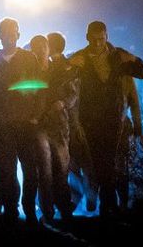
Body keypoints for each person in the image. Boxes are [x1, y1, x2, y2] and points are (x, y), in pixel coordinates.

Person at [69, 21, 143, 219]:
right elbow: (60, 81)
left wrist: (133, 59)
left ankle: (110, 205)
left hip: (115, 119)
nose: (98, 44)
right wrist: (68, 65)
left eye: (101, 39)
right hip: (90, 121)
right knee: (101, 164)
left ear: (106, 36)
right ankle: (109, 206)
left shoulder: (118, 56)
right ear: (88, 37)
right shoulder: (80, 58)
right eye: (94, 40)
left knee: (109, 163)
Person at [0, 17, 40, 225]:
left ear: (18, 35)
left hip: (27, 124)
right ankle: (12, 209)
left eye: (13, 33)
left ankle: (29, 208)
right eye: (6, 33)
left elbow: (39, 89)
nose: (10, 36)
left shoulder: (29, 59)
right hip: (3, 127)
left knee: (31, 170)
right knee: (7, 170)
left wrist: (35, 116)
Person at [47, 32, 97, 214]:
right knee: (74, 164)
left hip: (68, 124)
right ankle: (80, 200)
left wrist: (62, 105)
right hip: (68, 123)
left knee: (73, 164)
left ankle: (83, 199)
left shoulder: (63, 67)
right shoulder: (66, 66)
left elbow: (72, 95)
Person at [30, 34, 77, 224]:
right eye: (37, 48)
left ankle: (64, 210)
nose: (41, 51)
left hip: (59, 125)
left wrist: (63, 103)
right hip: (39, 126)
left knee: (62, 169)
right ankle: (49, 212)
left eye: (44, 47)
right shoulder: (29, 72)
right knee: (45, 170)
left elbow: (72, 94)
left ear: (49, 48)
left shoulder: (59, 70)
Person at [115, 76, 143, 213]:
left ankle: (114, 205)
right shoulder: (125, 75)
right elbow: (134, 102)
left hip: (107, 127)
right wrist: (137, 126)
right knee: (120, 168)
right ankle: (121, 205)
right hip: (120, 126)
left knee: (113, 167)